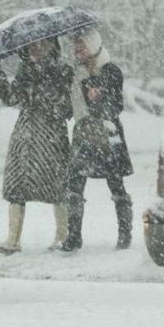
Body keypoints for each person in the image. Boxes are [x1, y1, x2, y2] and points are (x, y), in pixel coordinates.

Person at [0, 37, 74, 254]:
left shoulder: (63, 71)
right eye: (31, 45)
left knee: (57, 185)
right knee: (16, 185)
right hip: (24, 135)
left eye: (41, 44)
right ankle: (13, 239)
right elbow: (10, 98)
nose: (35, 49)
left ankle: (62, 235)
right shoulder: (25, 71)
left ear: (52, 46)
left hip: (51, 136)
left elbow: (67, 108)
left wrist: (46, 87)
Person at [64, 29, 135, 251]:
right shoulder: (76, 73)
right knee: (75, 183)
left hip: (106, 132)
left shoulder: (110, 70)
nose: (78, 52)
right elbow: (72, 105)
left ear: (93, 45)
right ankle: (74, 236)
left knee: (115, 183)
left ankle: (125, 235)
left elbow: (117, 106)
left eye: (82, 46)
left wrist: (100, 97)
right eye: (76, 48)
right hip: (84, 130)